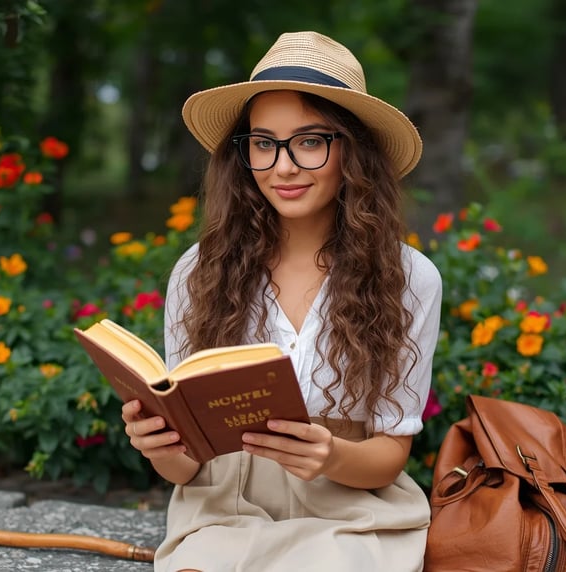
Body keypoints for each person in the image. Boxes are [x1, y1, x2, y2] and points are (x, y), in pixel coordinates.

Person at [121, 31, 442, 572]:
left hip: (347, 511)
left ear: (352, 150)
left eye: (310, 141)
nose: (283, 166)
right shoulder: (198, 272)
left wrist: (332, 454)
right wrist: (158, 447)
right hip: (222, 511)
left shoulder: (409, 277)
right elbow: (185, 469)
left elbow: (388, 457)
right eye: (263, 143)